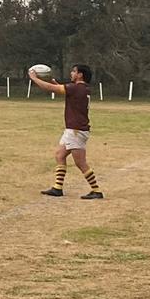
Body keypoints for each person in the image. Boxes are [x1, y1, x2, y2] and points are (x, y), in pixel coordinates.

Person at [28, 64, 103, 199]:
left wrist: (34, 78)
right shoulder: (83, 88)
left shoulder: (75, 88)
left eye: (74, 71)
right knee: (59, 155)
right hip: (73, 129)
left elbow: (49, 88)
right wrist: (55, 83)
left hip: (76, 130)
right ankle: (58, 188)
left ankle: (96, 190)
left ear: (80, 75)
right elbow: (63, 90)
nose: (71, 73)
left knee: (80, 163)